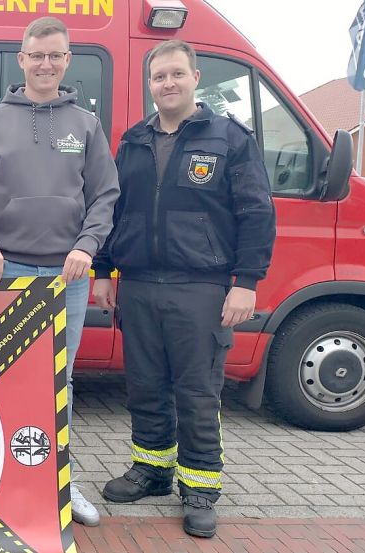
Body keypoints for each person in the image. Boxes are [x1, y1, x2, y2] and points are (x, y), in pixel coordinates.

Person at [92, 40, 275, 538]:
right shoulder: (133, 140)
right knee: (145, 386)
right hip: (139, 284)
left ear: (196, 77)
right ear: (149, 84)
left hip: (202, 285)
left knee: (196, 391)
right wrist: (105, 270)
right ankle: (151, 471)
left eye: (176, 74)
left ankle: (200, 488)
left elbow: (256, 213)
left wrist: (246, 284)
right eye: (158, 77)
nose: (167, 84)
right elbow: (114, 210)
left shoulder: (229, 139)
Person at [0, 16, 119, 527]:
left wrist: (87, 247)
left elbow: (105, 196)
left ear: (67, 60)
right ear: (21, 59)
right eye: (36, 55)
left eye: (55, 55)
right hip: (8, 275)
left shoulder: (86, 126)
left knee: (59, 383)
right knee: (2, 379)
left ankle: (61, 485)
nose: (45, 64)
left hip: (68, 278)